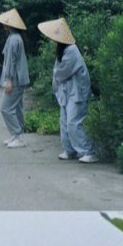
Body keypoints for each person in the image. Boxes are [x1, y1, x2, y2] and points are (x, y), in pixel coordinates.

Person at [39, 15, 96, 163]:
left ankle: (87, 151)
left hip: (76, 92)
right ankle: (70, 150)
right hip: (68, 92)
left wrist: (56, 76)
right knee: (64, 121)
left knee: (73, 121)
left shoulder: (71, 49)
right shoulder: (63, 49)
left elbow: (61, 72)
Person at [0, 9, 30, 147]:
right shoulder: (15, 37)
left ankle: (19, 136)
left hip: (14, 79)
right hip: (17, 78)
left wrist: (8, 80)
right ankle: (17, 135)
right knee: (16, 108)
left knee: (6, 108)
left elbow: (11, 61)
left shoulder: (14, 39)